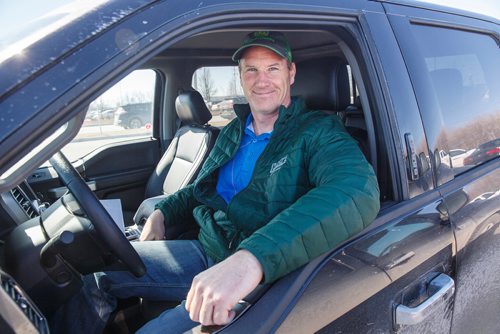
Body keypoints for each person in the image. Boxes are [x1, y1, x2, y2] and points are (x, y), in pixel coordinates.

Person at [52, 31, 380, 334]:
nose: (261, 80)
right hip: (206, 249)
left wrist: (251, 259)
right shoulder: (233, 131)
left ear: (290, 74)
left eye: (272, 69)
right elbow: (200, 191)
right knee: (96, 278)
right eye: (251, 70)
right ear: (240, 77)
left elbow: (356, 191)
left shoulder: (318, 131)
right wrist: (163, 212)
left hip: (261, 273)